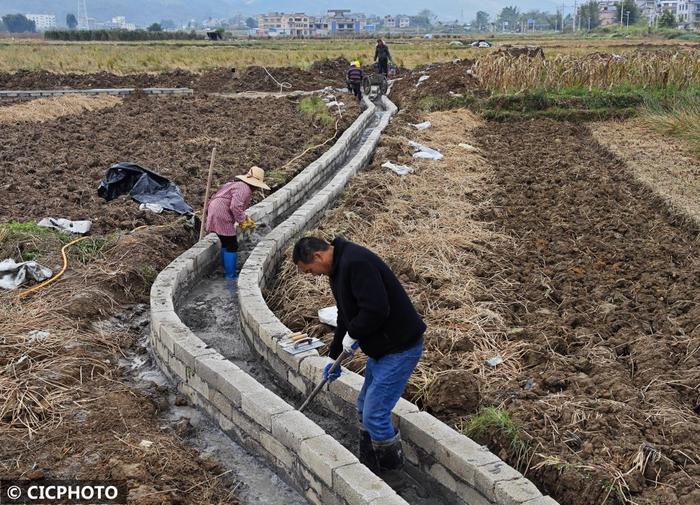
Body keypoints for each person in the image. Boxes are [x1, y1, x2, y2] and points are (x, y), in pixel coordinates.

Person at [292, 236, 426, 476]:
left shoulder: (356, 262)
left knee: (375, 414)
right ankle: (370, 465)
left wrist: (354, 334)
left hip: (400, 346)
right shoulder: (337, 270)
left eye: (309, 270)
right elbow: (346, 315)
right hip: (382, 348)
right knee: (365, 406)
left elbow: (376, 309)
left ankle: (392, 477)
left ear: (317, 257)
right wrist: (334, 357)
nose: (314, 275)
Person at [206, 166, 269, 279]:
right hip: (221, 212)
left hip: (215, 210)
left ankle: (226, 269)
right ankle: (231, 275)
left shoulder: (237, 184)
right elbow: (235, 206)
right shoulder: (244, 188)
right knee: (232, 245)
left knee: (226, 242)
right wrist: (242, 220)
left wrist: (244, 218)